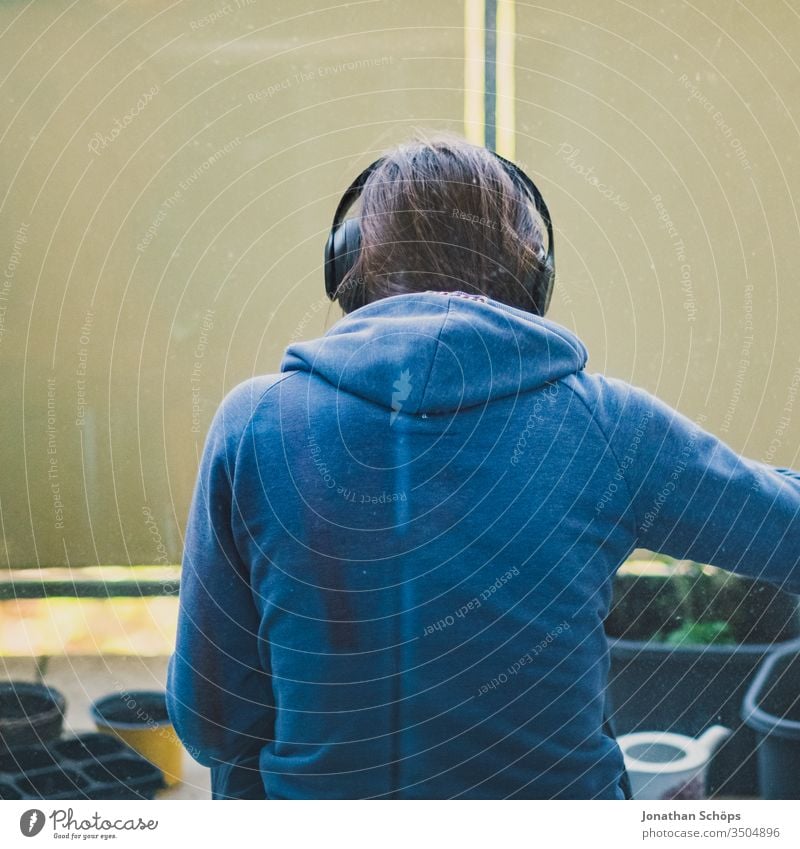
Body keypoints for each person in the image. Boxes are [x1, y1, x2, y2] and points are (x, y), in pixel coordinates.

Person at [165, 131, 800, 799]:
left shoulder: (253, 424)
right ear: (534, 277)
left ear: (346, 266)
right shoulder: (609, 426)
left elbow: (211, 721)